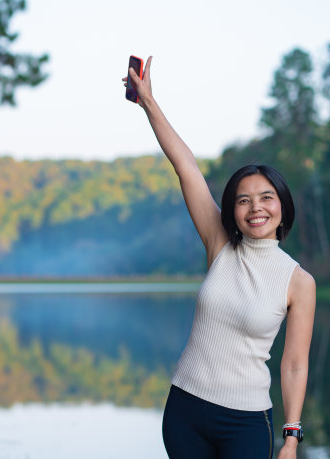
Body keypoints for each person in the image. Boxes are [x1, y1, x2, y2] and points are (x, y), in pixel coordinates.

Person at [123, 56, 316, 459]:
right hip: (186, 409)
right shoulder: (220, 244)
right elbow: (186, 166)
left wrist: (291, 438)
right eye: (243, 200)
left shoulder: (298, 282)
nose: (255, 208)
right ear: (233, 211)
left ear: (282, 205)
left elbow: (294, 365)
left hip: (246, 423)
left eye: (266, 198)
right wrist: (149, 103)